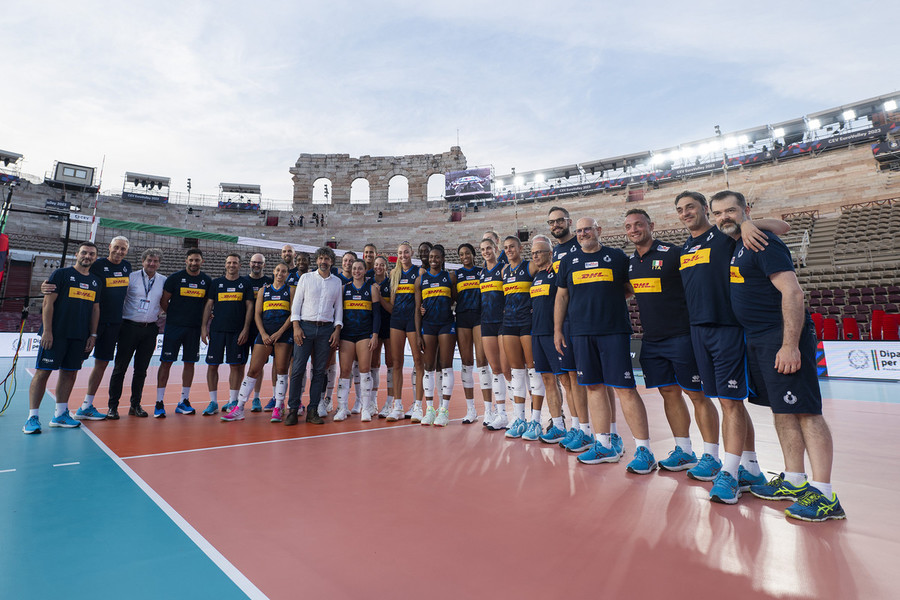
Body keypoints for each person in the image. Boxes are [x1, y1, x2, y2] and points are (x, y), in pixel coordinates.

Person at [710, 191, 845, 520]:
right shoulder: (737, 242)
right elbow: (781, 224)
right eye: (718, 213)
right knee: (784, 410)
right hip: (757, 338)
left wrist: (790, 344)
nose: (724, 217)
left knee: (806, 412)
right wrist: (745, 225)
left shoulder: (762, 242)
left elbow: (793, 291)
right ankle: (795, 480)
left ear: (746, 210)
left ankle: (825, 495)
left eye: (732, 210)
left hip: (780, 335)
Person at [675, 190, 788, 503]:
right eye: (681, 209)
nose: (686, 213)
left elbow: (782, 227)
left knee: (730, 402)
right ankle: (750, 467)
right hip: (699, 331)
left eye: (691, 207)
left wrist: (750, 223)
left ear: (705, 211)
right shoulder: (686, 247)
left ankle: (730, 472)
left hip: (728, 329)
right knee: (728, 401)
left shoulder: (728, 235)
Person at [554, 217, 657, 474]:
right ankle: (604, 444)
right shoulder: (568, 261)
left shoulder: (617, 257)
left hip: (613, 330)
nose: (582, 233)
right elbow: (562, 296)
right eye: (578, 230)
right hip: (580, 333)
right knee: (594, 388)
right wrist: (557, 329)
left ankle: (644, 450)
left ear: (599, 230)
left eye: (587, 229)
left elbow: (628, 288)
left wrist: (607, 300)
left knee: (625, 389)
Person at [624, 209, 721, 476]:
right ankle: (684, 451)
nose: (634, 230)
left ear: (650, 225)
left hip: (682, 336)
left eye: (638, 224)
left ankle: (712, 457)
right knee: (669, 393)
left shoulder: (673, 253)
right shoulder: (631, 262)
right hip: (652, 340)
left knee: (697, 395)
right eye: (629, 226)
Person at [547, 207, 618, 453]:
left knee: (600, 381)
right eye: (551, 222)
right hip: (570, 323)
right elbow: (560, 291)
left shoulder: (590, 248)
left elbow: (623, 287)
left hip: (592, 323)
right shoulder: (558, 253)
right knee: (573, 378)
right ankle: (582, 429)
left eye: (560, 221)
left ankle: (609, 433)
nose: (556, 225)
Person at [23, 242, 101, 434]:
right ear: (77, 254)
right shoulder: (61, 275)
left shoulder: (96, 281)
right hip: (55, 334)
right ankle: (32, 417)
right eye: (84, 252)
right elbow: (48, 304)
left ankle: (60, 414)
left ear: (95, 258)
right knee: (42, 372)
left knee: (69, 373)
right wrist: (47, 331)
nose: (88, 256)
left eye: (92, 254)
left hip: (79, 336)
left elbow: (95, 309)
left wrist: (92, 334)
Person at [222, 262, 294, 423]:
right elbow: (257, 314)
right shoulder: (264, 290)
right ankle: (239, 407)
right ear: (273, 272)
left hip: (282, 334)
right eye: (277, 270)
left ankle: (278, 406)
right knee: (253, 370)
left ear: (287, 274)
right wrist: (263, 333)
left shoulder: (291, 290)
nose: (280, 273)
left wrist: (279, 332)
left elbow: (293, 314)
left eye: (283, 271)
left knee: (282, 370)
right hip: (265, 334)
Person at [106, 248, 167, 419]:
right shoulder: (131, 277)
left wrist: (157, 312)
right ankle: (113, 407)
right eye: (149, 260)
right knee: (120, 369)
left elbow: (166, 301)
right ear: (142, 261)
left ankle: (135, 405)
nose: (152, 264)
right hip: (128, 327)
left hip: (150, 329)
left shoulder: (163, 280)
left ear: (159, 263)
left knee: (141, 370)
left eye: (155, 261)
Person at [287, 246, 343, 425]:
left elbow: (339, 309)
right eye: (321, 258)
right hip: (305, 327)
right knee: (297, 370)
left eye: (327, 259)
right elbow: (296, 305)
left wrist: (337, 329)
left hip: (326, 330)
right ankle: (293, 410)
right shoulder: (305, 278)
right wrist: (296, 326)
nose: (323, 262)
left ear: (332, 262)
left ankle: (312, 410)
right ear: (317, 260)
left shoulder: (336, 282)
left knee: (319, 371)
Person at [156, 248, 212, 418]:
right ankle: (159, 402)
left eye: (197, 260)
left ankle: (184, 401)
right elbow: (164, 301)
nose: (194, 263)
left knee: (190, 363)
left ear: (202, 261)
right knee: (166, 362)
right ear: (186, 261)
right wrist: (175, 316)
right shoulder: (175, 278)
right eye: (191, 260)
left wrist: (203, 327)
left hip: (194, 329)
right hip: (174, 327)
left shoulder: (206, 281)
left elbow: (207, 307)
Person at [499, 235, 543, 439]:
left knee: (533, 371)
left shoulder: (531, 267)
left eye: (512, 247)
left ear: (520, 248)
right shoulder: (504, 271)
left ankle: (536, 421)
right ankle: (519, 419)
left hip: (528, 323)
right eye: (506, 248)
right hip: (509, 323)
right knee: (516, 373)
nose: (509, 250)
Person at [201, 253, 254, 415]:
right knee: (212, 365)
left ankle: (233, 401)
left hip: (237, 331)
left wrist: (246, 329)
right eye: (229, 262)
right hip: (217, 331)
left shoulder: (245, 284)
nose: (232, 265)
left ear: (239, 265)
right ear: (225, 264)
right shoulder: (216, 283)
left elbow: (250, 307)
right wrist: (204, 327)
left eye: (235, 263)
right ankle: (213, 402)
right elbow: (209, 306)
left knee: (236, 366)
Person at [527, 236, 566, 443]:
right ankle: (557, 425)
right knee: (547, 380)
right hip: (537, 334)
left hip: (554, 334)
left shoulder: (557, 273)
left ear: (550, 253)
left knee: (566, 381)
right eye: (533, 253)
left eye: (539, 252)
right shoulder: (536, 276)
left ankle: (577, 427)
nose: (535, 256)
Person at [414, 245, 456, 427]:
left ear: (443, 258)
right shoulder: (420, 280)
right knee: (428, 367)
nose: (433, 259)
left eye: (437, 257)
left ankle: (444, 410)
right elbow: (417, 309)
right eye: (431, 256)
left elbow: (455, 299)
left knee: (446, 366)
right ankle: (429, 409)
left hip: (446, 324)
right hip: (428, 326)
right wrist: (417, 334)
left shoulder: (449, 277)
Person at [335, 259, 381, 421]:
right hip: (347, 334)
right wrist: (337, 332)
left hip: (364, 334)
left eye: (360, 268)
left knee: (365, 368)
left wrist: (375, 334)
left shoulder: (372, 289)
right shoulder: (344, 289)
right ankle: (342, 408)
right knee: (345, 370)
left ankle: (366, 408)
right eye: (354, 268)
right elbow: (338, 313)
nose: (356, 271)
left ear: (364, 270)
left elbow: (376, 314)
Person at [386, 242, 423, 420]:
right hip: (397, 321)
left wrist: (423, 310)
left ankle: (418, 405)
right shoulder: (394, 273)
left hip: (413, 321)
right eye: (400, 253)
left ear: (411, 253)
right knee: (396, 362)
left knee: (418, 360)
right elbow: (392, 303)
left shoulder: (419, 272)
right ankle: (398, 405)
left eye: (406, 252)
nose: (403, 255)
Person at [454, 242, 488, 424]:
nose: (464, 256)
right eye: (461, 254)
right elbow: (450, 297)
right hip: (462, 318)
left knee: (482, 361)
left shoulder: (481, 272)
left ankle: (489, 410)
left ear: (473, 254)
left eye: (467, 253)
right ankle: (470, 409)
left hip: (479, 317)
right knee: (466, 362)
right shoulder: (456, 275)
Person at [479, 237, 509, 430]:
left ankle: (519, 414)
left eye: (489, 248)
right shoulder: (481, 273)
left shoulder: (504, 269)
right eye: (482, 249)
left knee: (508, 370)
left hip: (504, 322)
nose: (486, 251)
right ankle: (501, 414)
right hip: (487, 323)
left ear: (496, 248)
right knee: (495, 370)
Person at [244, 253, 272, 412]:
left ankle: (256, 398)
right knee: (239, 364)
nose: (256, 265)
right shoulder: (243, 281)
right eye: (254, 262)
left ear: (264, 265)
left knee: (259, 365)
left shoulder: (268, 282)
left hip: (262, 329)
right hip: (244, 328)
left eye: (259, 263)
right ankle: (234, 399)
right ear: (249, 263)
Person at [372, 256, 396, 418]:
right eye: (376, 265)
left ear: (386, 267)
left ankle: (389, 402)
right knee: (374, 363)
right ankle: (372, 402)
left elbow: (392, 309)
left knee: (390, 363)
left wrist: (378, 296)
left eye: (382, 265)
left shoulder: (391, 284)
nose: (379, 267)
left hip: (388, 326)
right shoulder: (369, 283)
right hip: (374, 327)